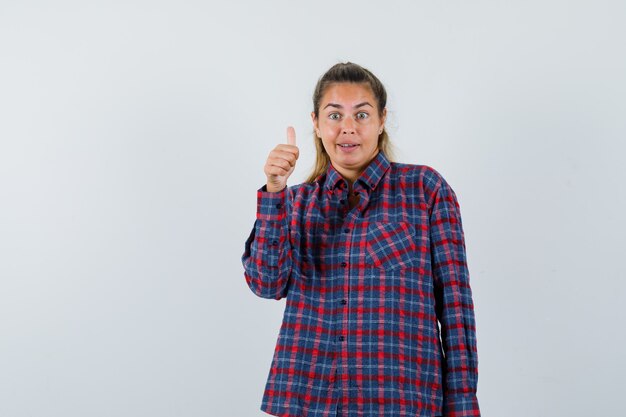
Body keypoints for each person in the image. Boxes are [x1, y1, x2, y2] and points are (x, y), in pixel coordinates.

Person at [242, 62, 481, 417]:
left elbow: (455, 307)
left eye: (362, 115)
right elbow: (266, 283)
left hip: (399, 398)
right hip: (308, 399)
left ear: (382, 120)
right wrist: (276, 191)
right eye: (334, 115)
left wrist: (462, 406)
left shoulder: (425, 189)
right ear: (317, 123)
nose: (348, 128)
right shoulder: (297, 202)